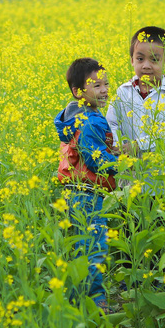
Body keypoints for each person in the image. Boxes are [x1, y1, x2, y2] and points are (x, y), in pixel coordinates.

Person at [54, 57, 119, 313]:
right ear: (78, 92)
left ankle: (75, 301)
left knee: (81, 247)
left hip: (75, 193)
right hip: (88, 195)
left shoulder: (76, 117)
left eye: (106, 84)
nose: (104, 90)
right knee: (95, 248)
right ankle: (97, 303)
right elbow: (94, 158)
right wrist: (120, 163)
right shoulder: (90, 121)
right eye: (96, 85)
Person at [106, 26, 165, 193]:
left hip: (159, 182)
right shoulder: (123, 92)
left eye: (154, 60)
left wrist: (138, 146)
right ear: (132, 60)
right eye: (140, 59)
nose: (146, 66)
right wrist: (117, 145)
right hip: (127, 180)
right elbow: (111, 123)